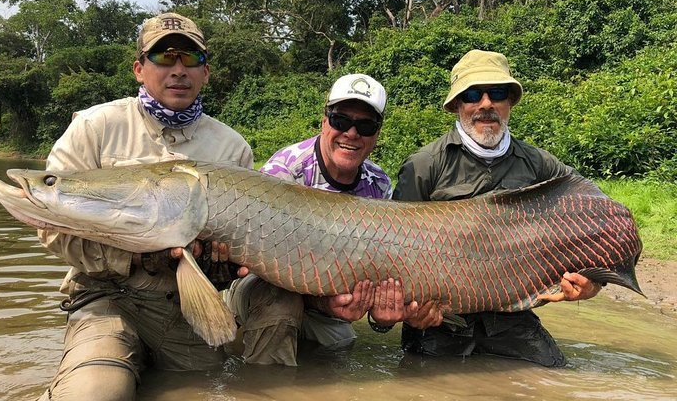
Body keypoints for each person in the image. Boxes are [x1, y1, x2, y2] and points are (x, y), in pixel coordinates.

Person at [38, 12, 253, 400]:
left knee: (214, 390)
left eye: (191, 59)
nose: (178, 70)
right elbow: (52, 228)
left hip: (185, 310)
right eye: (163, 57)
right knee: (96, 394)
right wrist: (134, 259)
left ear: (206, 73)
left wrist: (219, 267)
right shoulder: (95, 127)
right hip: (106, 298)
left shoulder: (232, 148)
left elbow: (236, 252)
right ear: (140, 69)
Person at [392, 49, 602, 367]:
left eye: (498, 93)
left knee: (556, 373)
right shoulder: (424, 165)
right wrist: (408, 310)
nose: (486, 104)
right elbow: (390, 248)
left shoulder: (540, 165)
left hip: (511, 320)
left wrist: (592, 282)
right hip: (439, 322)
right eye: (473, 94)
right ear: (457, 105)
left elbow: (596, 216)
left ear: (509, 103)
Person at [225, 73, 419, 366]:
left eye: (365, 126)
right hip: (265, 288)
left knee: (339, 348)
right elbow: (261, 267)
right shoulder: (286, 172)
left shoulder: (378, 184)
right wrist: (322, 300)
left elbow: (379, 271)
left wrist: (382, 319)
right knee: (280, 308)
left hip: (326, 305)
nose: (351, 133)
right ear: (324, 120)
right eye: (341, 120)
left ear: (377, 133)